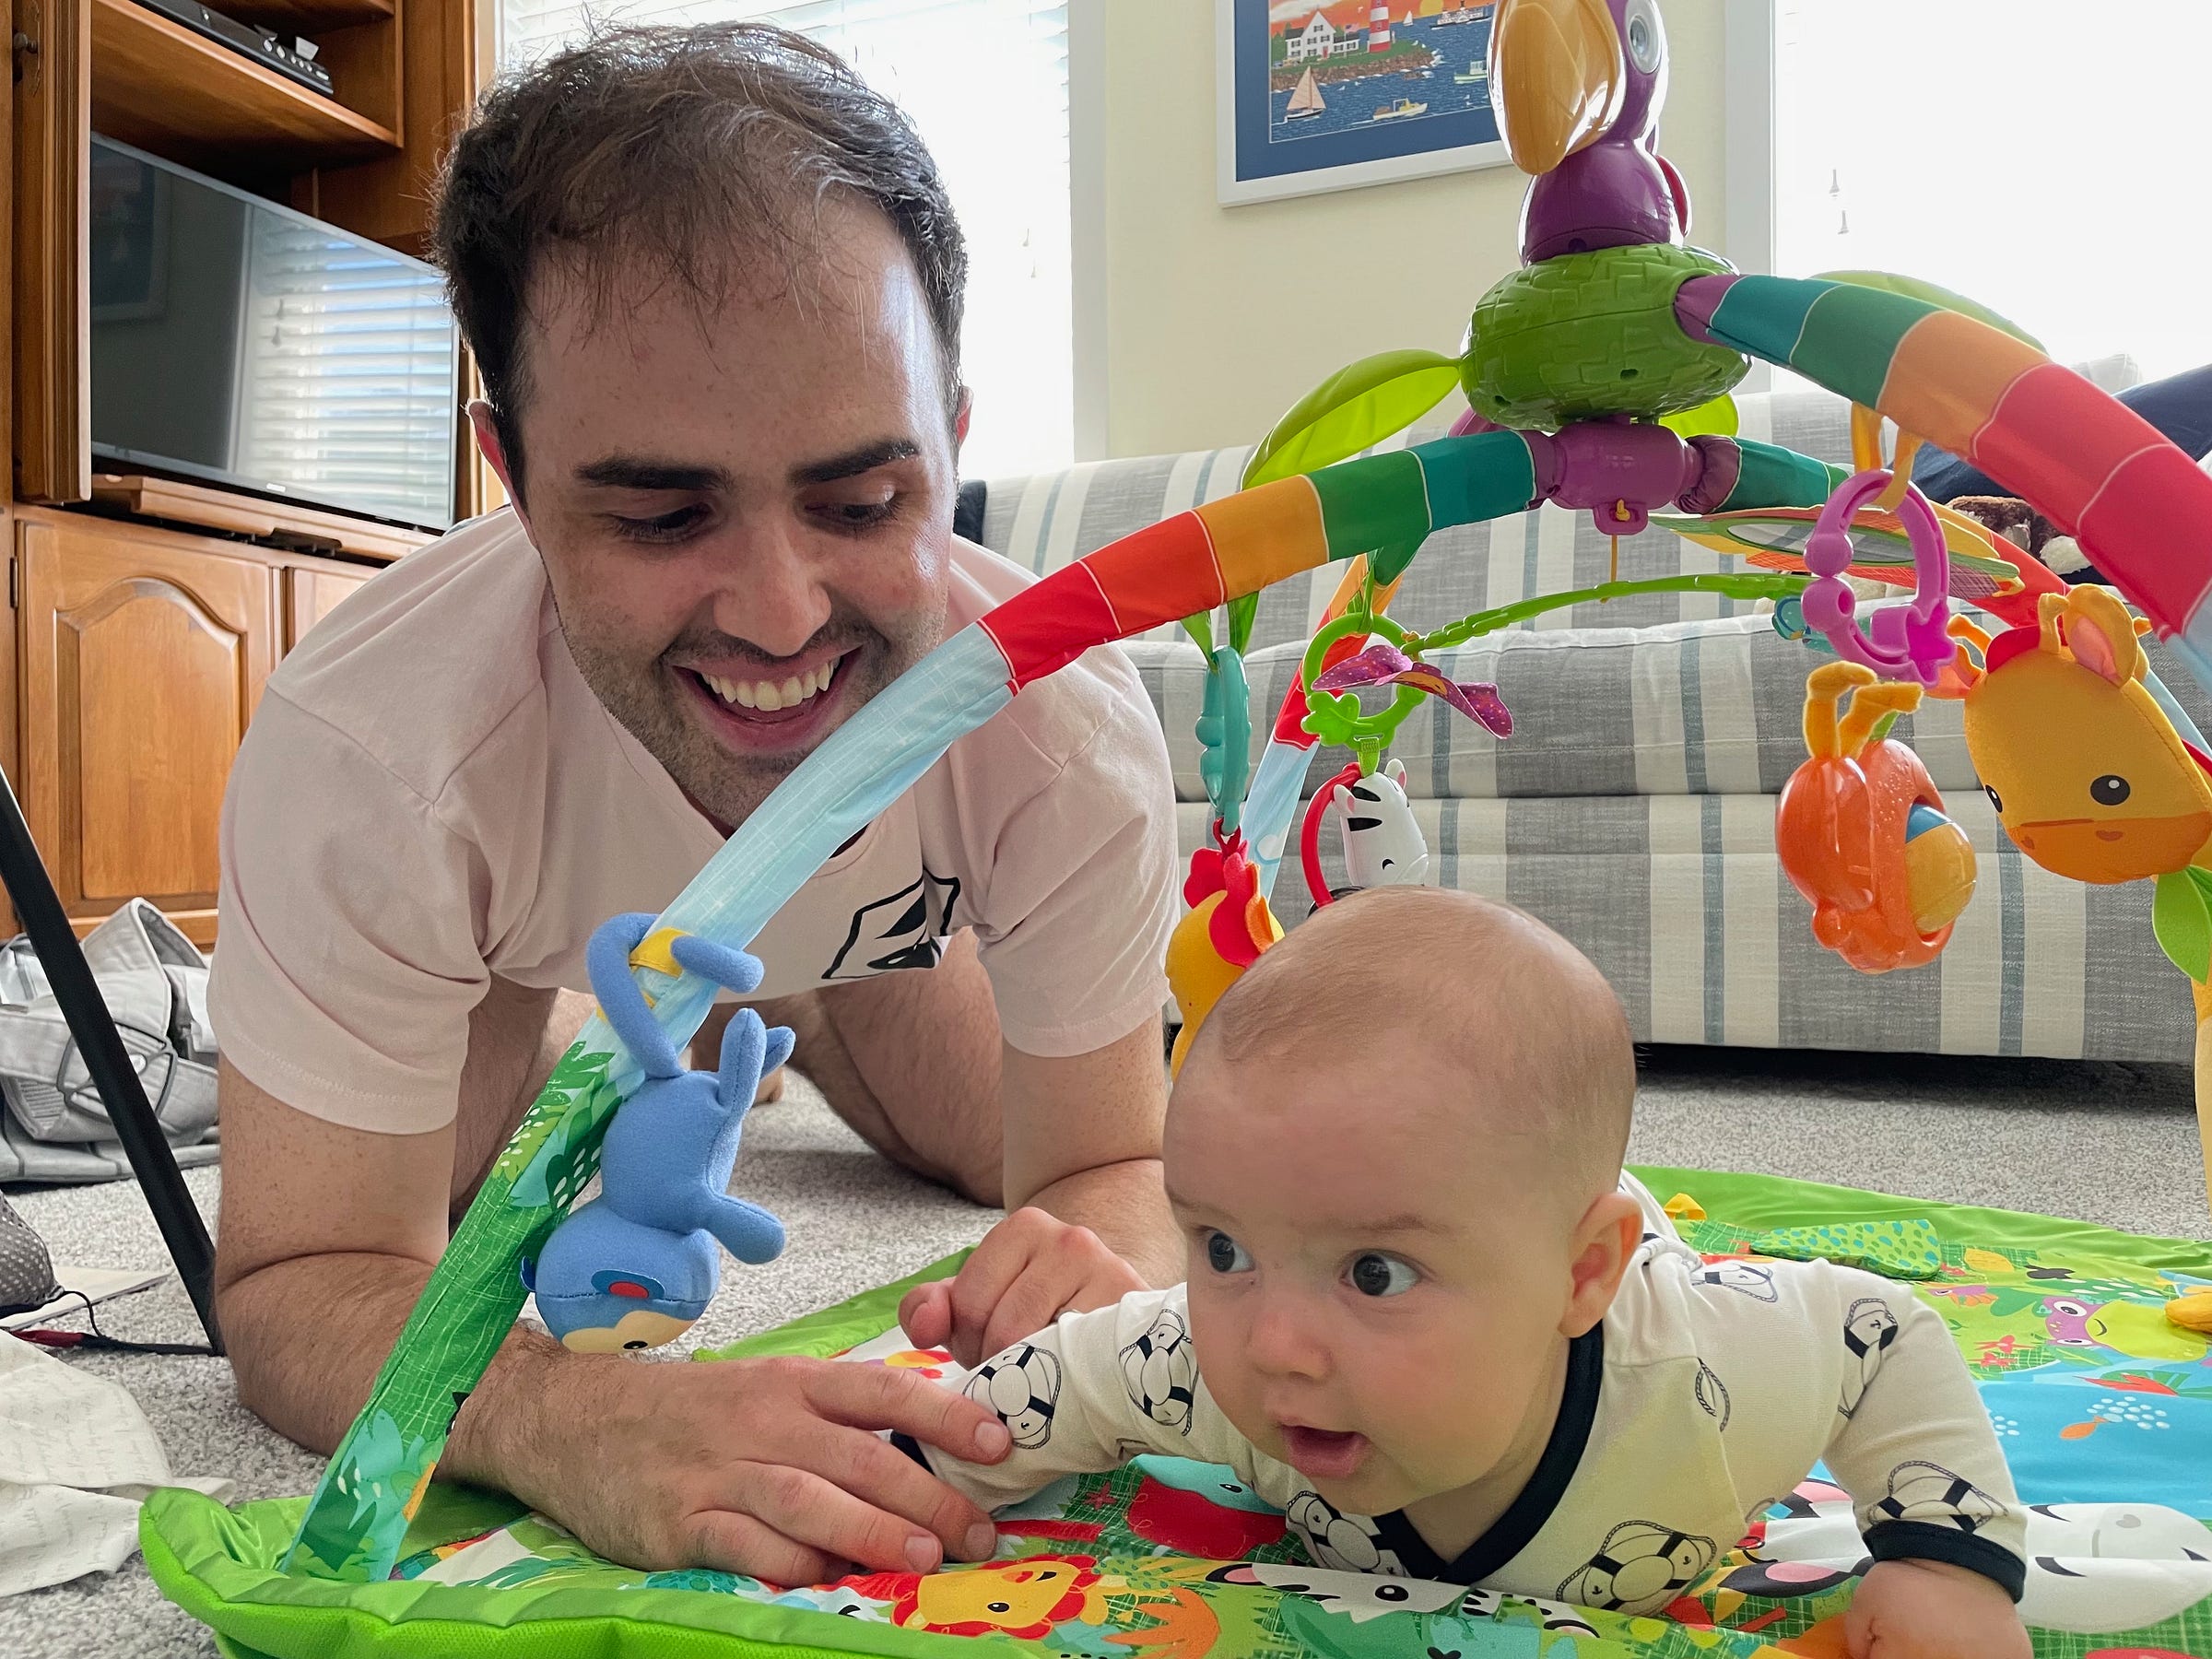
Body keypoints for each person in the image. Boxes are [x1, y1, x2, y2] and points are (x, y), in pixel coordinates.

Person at [207, 22, 1182, 1587]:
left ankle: (752, 1002)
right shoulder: (373, 758)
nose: (785, 618)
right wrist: (563, 1416)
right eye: (663, 513)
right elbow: (299, 1279)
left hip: (864, 943)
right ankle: (643, 1008)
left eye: (864, 501)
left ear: (956, 447)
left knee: (974, 1153)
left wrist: (1107, 1262)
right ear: (512, 476)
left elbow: (1106, 1162)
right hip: (519, 941)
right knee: (462, 1211)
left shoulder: (1061, 738)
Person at [900, 889, 2032, 1657]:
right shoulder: (1208, 1355)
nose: (1273, 1345)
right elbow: (1056, 1387)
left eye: (1376, 1274)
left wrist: (1949, 1566)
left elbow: (1883, 1337)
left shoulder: (1713, 1376)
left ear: (1585, 1275)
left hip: (1625, 1299)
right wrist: (902, 1477)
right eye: (1222, 1248)